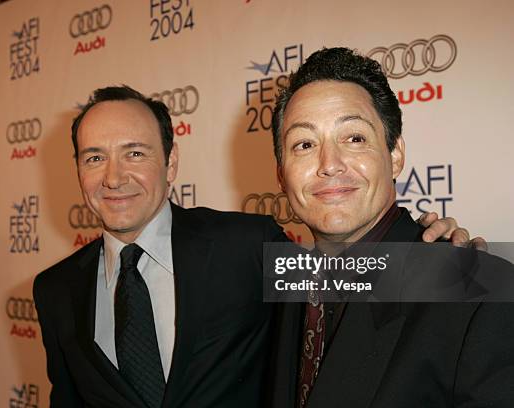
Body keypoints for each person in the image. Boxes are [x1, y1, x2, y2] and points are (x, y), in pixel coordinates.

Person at [33, 85, 478, 408]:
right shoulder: (55, 290)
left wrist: (434, 250)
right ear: (78, 170)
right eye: (94, 157)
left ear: (170, 164)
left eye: (135, 153)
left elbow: (347, 282)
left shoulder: (244, 245)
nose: (113, 177)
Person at [269, 47, 514, 407]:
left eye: (354, 138)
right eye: (304, 144)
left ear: (395, 155)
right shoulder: (279, 293)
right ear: (281, 174)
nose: (329, 164)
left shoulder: (482, 294)